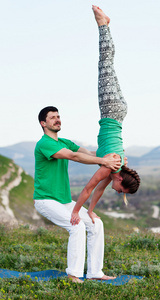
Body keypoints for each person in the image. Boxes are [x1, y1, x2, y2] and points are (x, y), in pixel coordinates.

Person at [70, 6, 141, 226]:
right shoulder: (109, 166)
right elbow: (88, 188)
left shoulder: (113, 168)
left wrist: (90, 211)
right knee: (106, 63)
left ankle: (105, 27)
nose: (119, 193)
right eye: (122, 191)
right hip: (111, 110)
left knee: (110, 66)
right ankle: (103, 24)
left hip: (119, 112)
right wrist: (75, 212)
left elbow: (98, 191)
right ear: (120, 179)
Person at [33, 105, 120, 282]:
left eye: (58, 116)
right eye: (52, 117)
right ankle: (73, 274)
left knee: (96, 224)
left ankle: (95, 273)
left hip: (64, 200)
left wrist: (115, 156)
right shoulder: (44, 144)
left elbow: (88, 154)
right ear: (43, 123)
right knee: (77, 226)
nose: (57, 119)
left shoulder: (64, 142)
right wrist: (103, 161)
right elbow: (74, 157)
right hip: (45, 200)